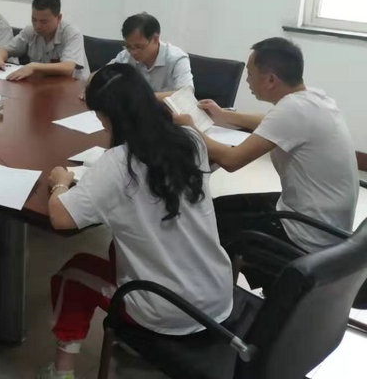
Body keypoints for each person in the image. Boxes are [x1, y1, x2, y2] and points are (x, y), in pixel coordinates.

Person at [37, 64, 233, 379]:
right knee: (118, 247)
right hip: (217, 293)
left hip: (166, 310)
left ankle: (61, 372)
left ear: (105, 116)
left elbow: (61, 218)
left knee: (72, 274)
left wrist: (60, 183)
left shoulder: (117, 163)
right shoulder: (190, 140)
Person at [188, 37, 358, 260]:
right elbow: (270, 121)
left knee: (213, 222)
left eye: (250, 73)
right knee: (218, 207)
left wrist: (191, 128)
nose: (247, 81)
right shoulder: (312, 98)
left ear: (270, 79)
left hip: (307, 234)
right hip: (328, 223)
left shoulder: (292, 110)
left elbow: (231, 160)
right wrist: (223, 115)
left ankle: (223, 277)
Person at [0, 0, 89, 81]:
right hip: (43, 84)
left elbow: (68, 68)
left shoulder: (71, 33)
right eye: (34, 20)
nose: (37, 26)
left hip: (74, 87)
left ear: (59, 18)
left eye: (44, 22)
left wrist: (34, 67)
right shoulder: (30, 31)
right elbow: (4, 50)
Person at [107, 12, 193, 99]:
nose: (133, 52)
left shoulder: (177, 58)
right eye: (128, 46)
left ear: (155, 39)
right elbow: (102, 78)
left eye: (138, 47)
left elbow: (186, 94)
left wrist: (141, 97)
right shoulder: (126, 55)